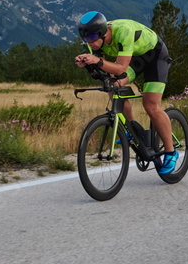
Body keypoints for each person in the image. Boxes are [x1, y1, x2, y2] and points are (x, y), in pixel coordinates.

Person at [73, 11, 178, 175]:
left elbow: (121, 68)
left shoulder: (124, 32)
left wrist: (97, 61)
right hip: (134, 59)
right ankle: (132, 129)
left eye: (93, 37)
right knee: (112, 85)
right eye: (86, 39)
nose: (90, 43)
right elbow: (99, 72)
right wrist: (86, 64)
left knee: (150, 104)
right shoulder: (92, 41)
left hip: (154, 56)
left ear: (102, 32)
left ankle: (171, 152)